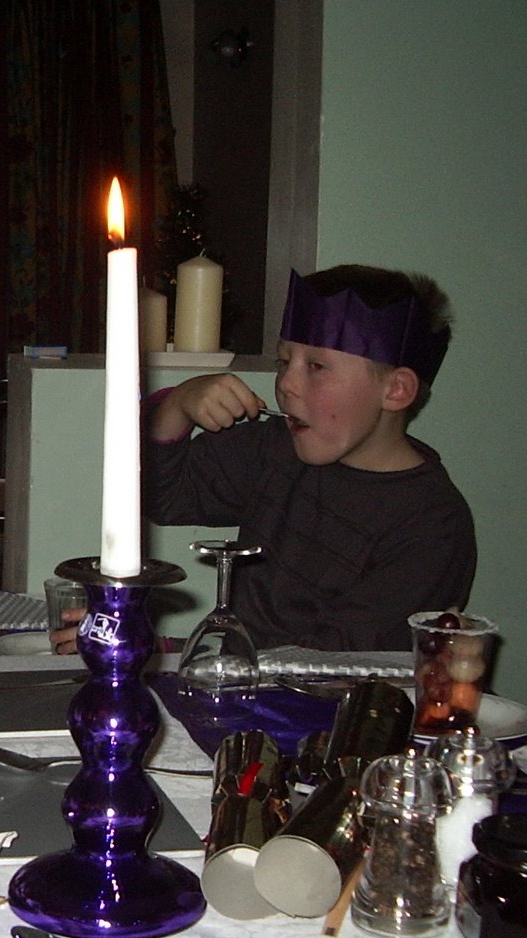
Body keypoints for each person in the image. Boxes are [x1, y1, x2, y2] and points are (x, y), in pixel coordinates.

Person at [136, 264, 475, 651]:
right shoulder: (275, 449)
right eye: (284, 361)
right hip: (243, 678)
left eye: (316, 366)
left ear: (396, 390)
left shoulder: (432, 525)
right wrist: (179, 404)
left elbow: (335, 662)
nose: (286, 384)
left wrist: (183, 658)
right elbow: (161, 497)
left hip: (315, 688)